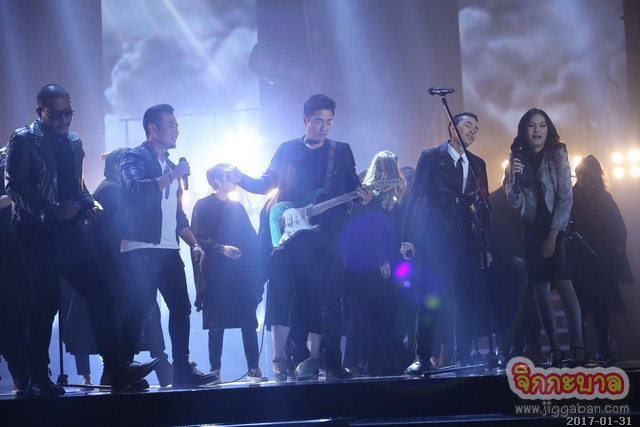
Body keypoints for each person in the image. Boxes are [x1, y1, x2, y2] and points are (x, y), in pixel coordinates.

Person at [4, 84, 157, 397]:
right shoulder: (24, 138)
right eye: (56, 115)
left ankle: (116, 370)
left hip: (69, 232)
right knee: (45, 303)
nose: (63, 120)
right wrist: (51, 209)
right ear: (40, 112)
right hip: (36, 233)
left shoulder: (74, 141)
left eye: (68, 113)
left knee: (101, 294)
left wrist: (88, 202)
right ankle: (37, 377)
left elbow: (78, 185)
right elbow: (15, 187)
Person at [226, 94, 372, 380]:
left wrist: (363, 196)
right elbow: (266, 182)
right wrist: (240, 179)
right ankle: (297, 358)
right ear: (305, 120)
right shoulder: (287, 150)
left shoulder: (341, 150)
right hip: (297, 234)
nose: (324, 127)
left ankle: (332, 363)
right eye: (318, 121)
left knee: (332, 299)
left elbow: (353, 185)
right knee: (302, 295)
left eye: (329, 122)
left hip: (331, 232)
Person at [117, 103, 218, 387]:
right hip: (140, 247)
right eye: (171, 125)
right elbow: (137, 189)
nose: (176, 131)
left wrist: (195, 245)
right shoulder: (134, 157)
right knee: (143, 307)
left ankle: (182, 370)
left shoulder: (172, 168)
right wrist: (174, 175)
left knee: (181, 307)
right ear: (153, 128)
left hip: (168, 248)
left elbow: (178, 216)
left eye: (177, 126)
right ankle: (120, 368)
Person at [401, 112, 491, 375]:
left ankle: (463, 355)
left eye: (476, 128)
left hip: (466, 236)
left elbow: (484, 207)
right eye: (468, 125)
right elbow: (415, 198)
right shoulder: (431, 157)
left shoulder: (478, 163)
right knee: (431, 297)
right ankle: (422, 357)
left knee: (465, 297)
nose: (473, 131)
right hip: (436, 236)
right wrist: (407, 237)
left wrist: (487, 247)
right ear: (453, 128)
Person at [84, 148, 172, 387]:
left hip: (114, 267)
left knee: (142, 310)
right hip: (116, 267)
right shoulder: (112, 190)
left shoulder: (107, 189)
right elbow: (120, 230)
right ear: (118, 168)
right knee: (138, 310)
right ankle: (126, 370)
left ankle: (126, 370)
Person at [506, 107, 585, 368]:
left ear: (548, 129)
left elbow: (566, 198)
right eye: (532, 125)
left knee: (564, 283)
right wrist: (513, 176)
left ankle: (578, 346)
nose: (537, 130)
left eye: (542, 125)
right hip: (532, 229)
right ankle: (555, 349)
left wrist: (553, 235)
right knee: (539, 287)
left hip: (557, 227)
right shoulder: (517, 157)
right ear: (524, 129)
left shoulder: (558, 152)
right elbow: (514, 201)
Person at [191, 163, 267, 383]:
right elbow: (198, 236)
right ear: (217, 181)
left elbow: (251, 238)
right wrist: (221, 249)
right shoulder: (202, 205)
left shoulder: (237, 208)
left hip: (239, 273)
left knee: (248, 320)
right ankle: (215, 370)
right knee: (217, 324)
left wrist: (263, 257)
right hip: (216, 273)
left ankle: (254, 368)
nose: (233, 180)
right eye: (227, 176)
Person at [342, 150, 412, 376]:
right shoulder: (369, 195)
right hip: (372, 263)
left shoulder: (394, 195)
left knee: (387, 312)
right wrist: (379, 259)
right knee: (373, 314)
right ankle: (373, 364)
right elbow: (366, 230)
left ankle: (381, 363)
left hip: (390, 259)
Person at [572, 155, 635, 365]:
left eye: (586, 173)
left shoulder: (605, 199)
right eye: (579, 173)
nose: (581, 177)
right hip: (578, 262)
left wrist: (614, 249)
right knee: (578, 308)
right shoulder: (570, 198)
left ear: (596, 175)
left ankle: (603, 347)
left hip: (601, 262)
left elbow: (619, 228)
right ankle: (580, 350)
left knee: (601, 307)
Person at [0, 146, 30, 394]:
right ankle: (22, 376)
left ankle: (24, 376)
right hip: (8, 259)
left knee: (19, 321)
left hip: (17, 258)